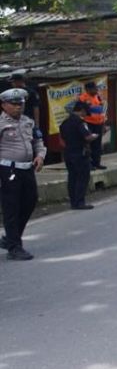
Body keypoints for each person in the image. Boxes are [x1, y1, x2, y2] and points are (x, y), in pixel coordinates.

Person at [0, 88, 46, 260]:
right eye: (14, 104)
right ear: (4, 105)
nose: (18, 107)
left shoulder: (28, 122)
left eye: (21, 104)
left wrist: (40, 156)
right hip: (8, 170)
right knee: (11, 207)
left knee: (30, 201)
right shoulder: (1, 123)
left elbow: (38, 141)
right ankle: (14, 247)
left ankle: (10, 238)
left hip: (27, 169)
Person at [60, 100, 99, 210]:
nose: (86, 115)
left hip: (68, 153)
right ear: (82, 110)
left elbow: (62, 139)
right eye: (85, 112)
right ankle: (80, 202)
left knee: (72, 178)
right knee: (82, 177)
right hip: (80, 154)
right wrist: (95, 136)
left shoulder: (65, 123)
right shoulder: (80, 122)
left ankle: (73, 202)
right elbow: (87, 137)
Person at [77, 81, 107, 170]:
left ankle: (96, 163)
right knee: (87, 145)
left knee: (97, 145)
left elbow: (102, 111)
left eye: (96, 88)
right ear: (88, 89)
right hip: (88, 124)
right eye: (94, 88)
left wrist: (103, 125)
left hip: (99, 124)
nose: (96, 90)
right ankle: (88, 164)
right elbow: (79, 112)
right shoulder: (83, 98)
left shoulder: (98, 97)